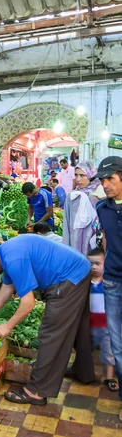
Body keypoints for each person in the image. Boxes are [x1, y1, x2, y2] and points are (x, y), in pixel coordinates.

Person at [0, 236, 95, 405]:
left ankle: (36, 391)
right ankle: (83, 371)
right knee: (79, 325)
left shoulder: (13, 259)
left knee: (51, 333)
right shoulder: (6, 253)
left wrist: (8, 326)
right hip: (79, 269)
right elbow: (7, 288)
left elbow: (28, 303)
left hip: (69, 277)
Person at [93, 155, 122, 419]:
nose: (106, 184)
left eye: (110, 179)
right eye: (103, 180)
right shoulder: (102, 209)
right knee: (118, 343)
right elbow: (105, 242)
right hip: (113, 281)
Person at [87, 247, 118, 392]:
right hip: (90, 325)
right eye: (91, 263)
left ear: (105, 263)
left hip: (107, 326)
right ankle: (85, 371)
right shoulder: (86, 284)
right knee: (86, 349)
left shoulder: (108, 283)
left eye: (97, 263)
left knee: (109, 352)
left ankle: (109, 377)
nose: (93, 267)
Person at [62, 161, 102, 255]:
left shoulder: (99, 195)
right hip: (74, 240)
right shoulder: (72, 196)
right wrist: (66, 247)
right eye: (76, 175)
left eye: (82, 175)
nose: (78, 179)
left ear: (91, 175)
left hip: (93, 241)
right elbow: (66, 223)